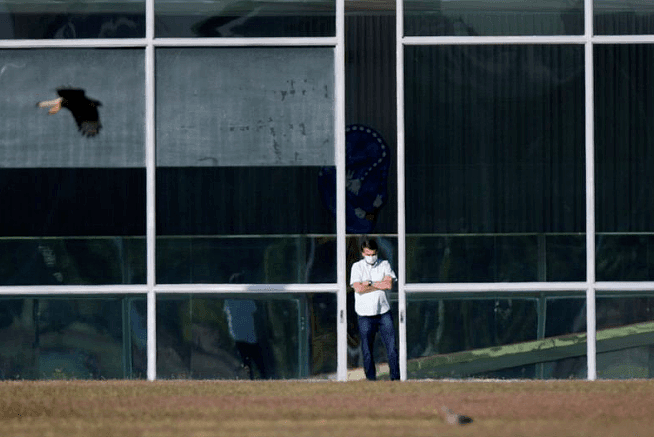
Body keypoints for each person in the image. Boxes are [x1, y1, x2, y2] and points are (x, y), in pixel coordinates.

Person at [349, 238, 400, 380]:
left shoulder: (384, 264)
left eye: (373, 254)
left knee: (391, 348)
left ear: (376, 252)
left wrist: (369, 283)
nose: (371, 257)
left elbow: (389, 285)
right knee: (367, 350)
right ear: (362, 253)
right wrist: (378, 284)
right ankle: (371, 379)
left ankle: (395, 378)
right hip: (364, 315)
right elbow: (358, 288)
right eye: (368, 254)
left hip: (383, 312)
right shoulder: (357, 267)